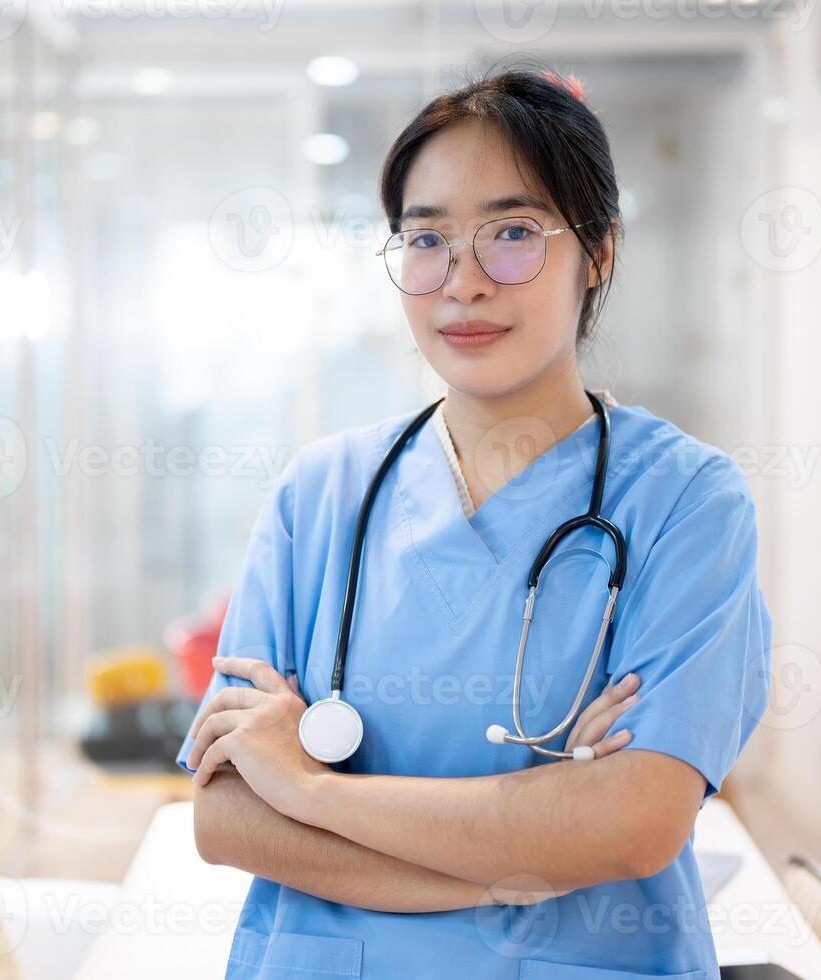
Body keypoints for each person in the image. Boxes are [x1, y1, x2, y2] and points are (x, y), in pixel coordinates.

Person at [174, 63, 772, 979]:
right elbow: (224, 818)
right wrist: (515, 863)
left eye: (513, 234)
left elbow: (633, 824)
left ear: (598, 252)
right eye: (426, 239)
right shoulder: (318, 495)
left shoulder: (684, 502)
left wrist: (303, 787)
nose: (464, 282)